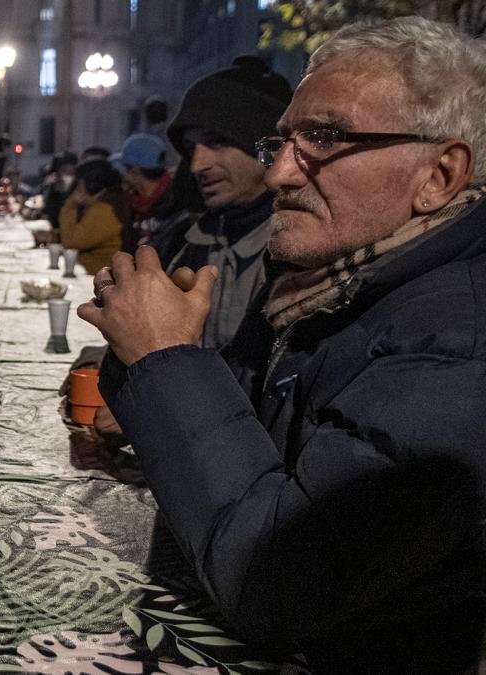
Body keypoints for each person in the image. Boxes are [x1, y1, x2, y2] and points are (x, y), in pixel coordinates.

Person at [80, 17, 486, 671]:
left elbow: (273, 582)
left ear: (438, 175)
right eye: (282, 142)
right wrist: (148, 387)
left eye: (324, 138)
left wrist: (165, 359)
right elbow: (250, 435)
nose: (280, 175)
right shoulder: (323, 285)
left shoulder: (459, 343)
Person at [163, 55, 293, 350]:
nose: (197, 165)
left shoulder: (300, 248)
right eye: (190, 148)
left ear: (267, 148)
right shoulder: (196, 241)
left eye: (216, 142)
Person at [57, 160, 128, 274]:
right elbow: (80, 232)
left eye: (79, 186)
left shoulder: (104, 211)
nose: (75, 191)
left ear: (92, 187)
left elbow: (71, 243)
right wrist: (54, 236)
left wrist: (71, 204)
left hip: (98, 276)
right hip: (93, 271)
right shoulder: (105, 205)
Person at [110, 133, 172, 253]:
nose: (122, 174)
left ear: (134, 170)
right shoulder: (132, 202)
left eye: (123, 168)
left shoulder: (175, 205)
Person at [42, 151, 79, 224]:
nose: (68, 175)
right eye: (65, 171)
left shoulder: (79, 189)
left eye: (71, 172)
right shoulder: (53, 189)